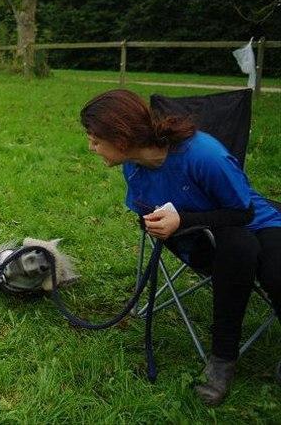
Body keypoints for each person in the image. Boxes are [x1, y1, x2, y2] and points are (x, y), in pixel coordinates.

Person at [79, 89, 281, 406]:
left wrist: (181, 219)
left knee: (266, 264)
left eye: (94, 139)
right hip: (203, 238)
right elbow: (144, 212)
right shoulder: (133, 167)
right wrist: (156, 223)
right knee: (237, 248)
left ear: (120, 138)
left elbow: (243, 212)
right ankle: (223, 358)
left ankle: (222, 359)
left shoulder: (202, 154)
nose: (90, 147)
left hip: (256, 220)